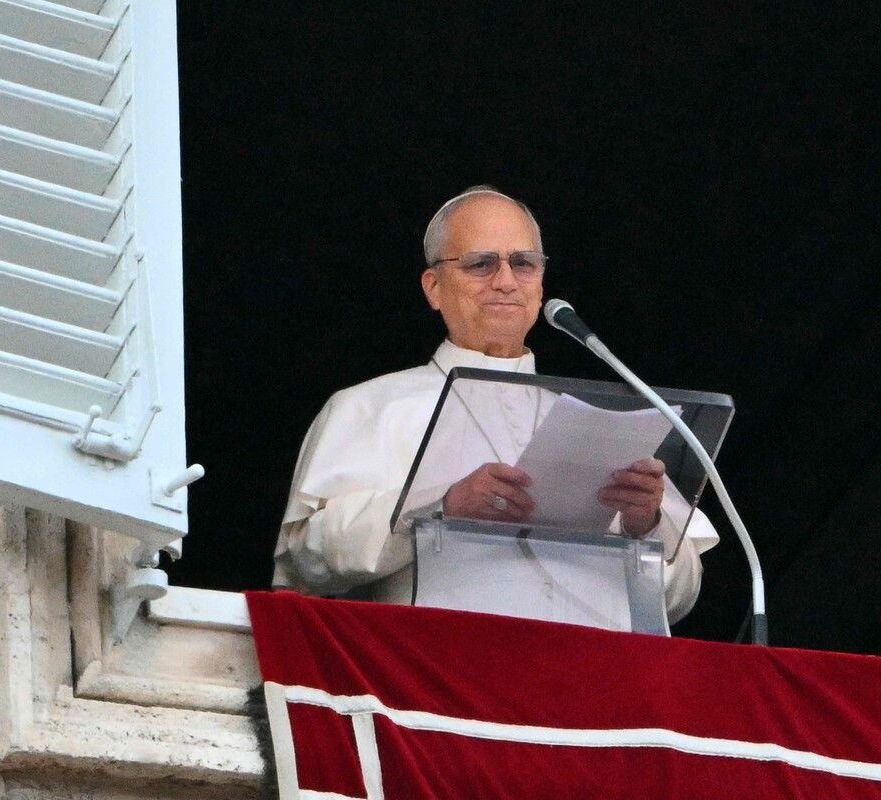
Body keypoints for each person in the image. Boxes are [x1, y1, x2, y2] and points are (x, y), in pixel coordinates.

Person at [272, 186, 719, 626]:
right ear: (434, 287)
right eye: (480, 263)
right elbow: (304, 561)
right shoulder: (371, 407)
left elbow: (680, 599)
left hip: (587, 666)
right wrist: (441, 507)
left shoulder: (599, 427)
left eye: (523, 263)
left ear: (540, 285)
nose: (506, 281)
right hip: (437, 663)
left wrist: (648, 526)